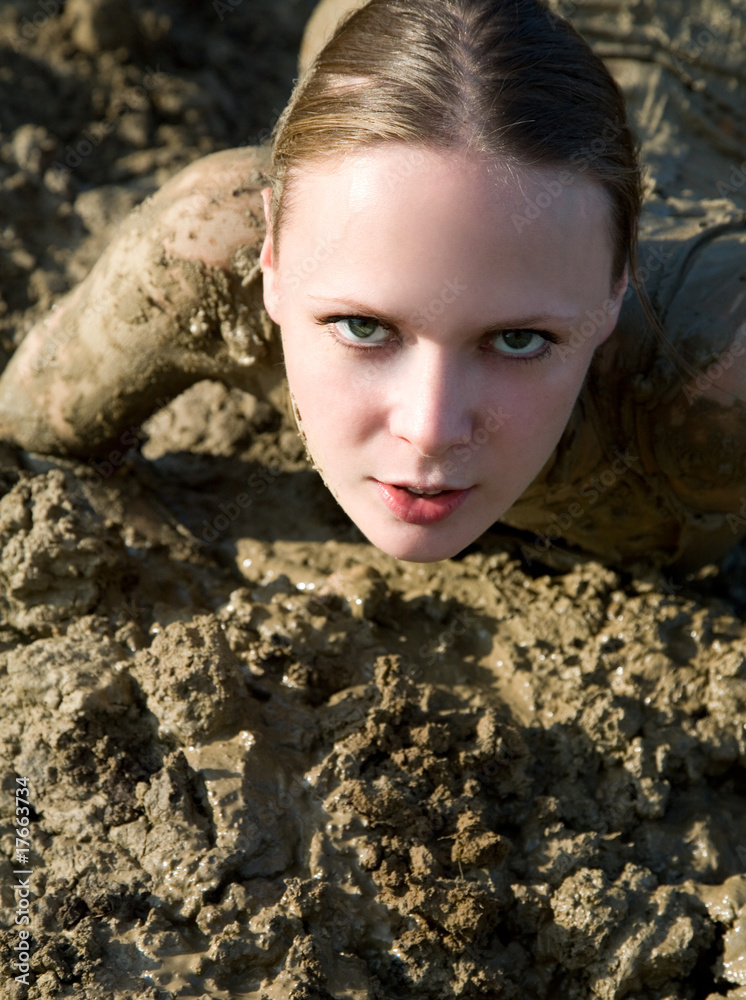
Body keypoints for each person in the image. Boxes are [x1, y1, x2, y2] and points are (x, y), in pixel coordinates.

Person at [0, 0, 744, 569]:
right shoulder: (208, 252)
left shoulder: (712, 383)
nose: (431, 428)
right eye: (364, 327)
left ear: (617, 287)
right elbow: (33, 444)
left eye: (519, 339)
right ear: (272, 258)